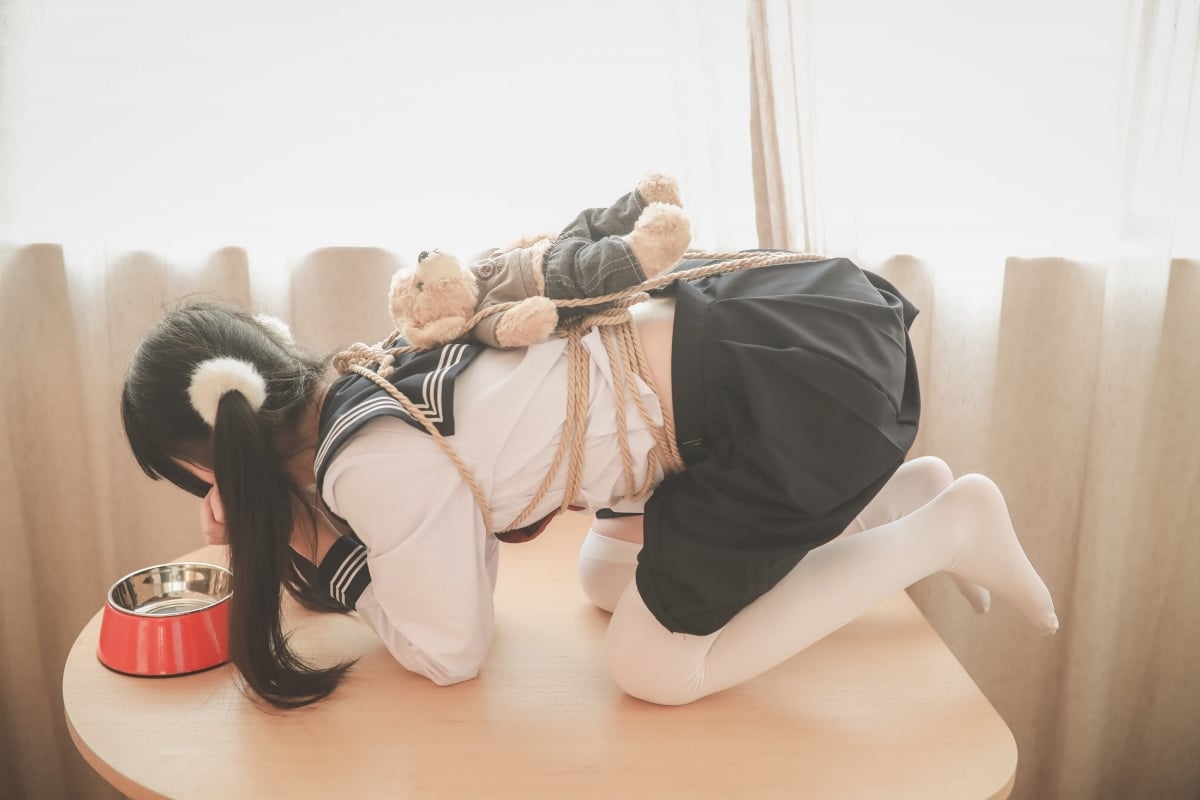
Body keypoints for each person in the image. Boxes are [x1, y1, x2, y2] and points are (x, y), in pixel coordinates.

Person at [121, 254, 1058, 709]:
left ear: (212, 463)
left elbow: (452, 649)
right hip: (773, 341)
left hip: (781, 400)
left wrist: (304, 537)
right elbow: (461, 551)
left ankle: (947, 528)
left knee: (653, 670)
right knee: (606, 578)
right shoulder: (364, 376)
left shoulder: (365, 461)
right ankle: (899, 501)